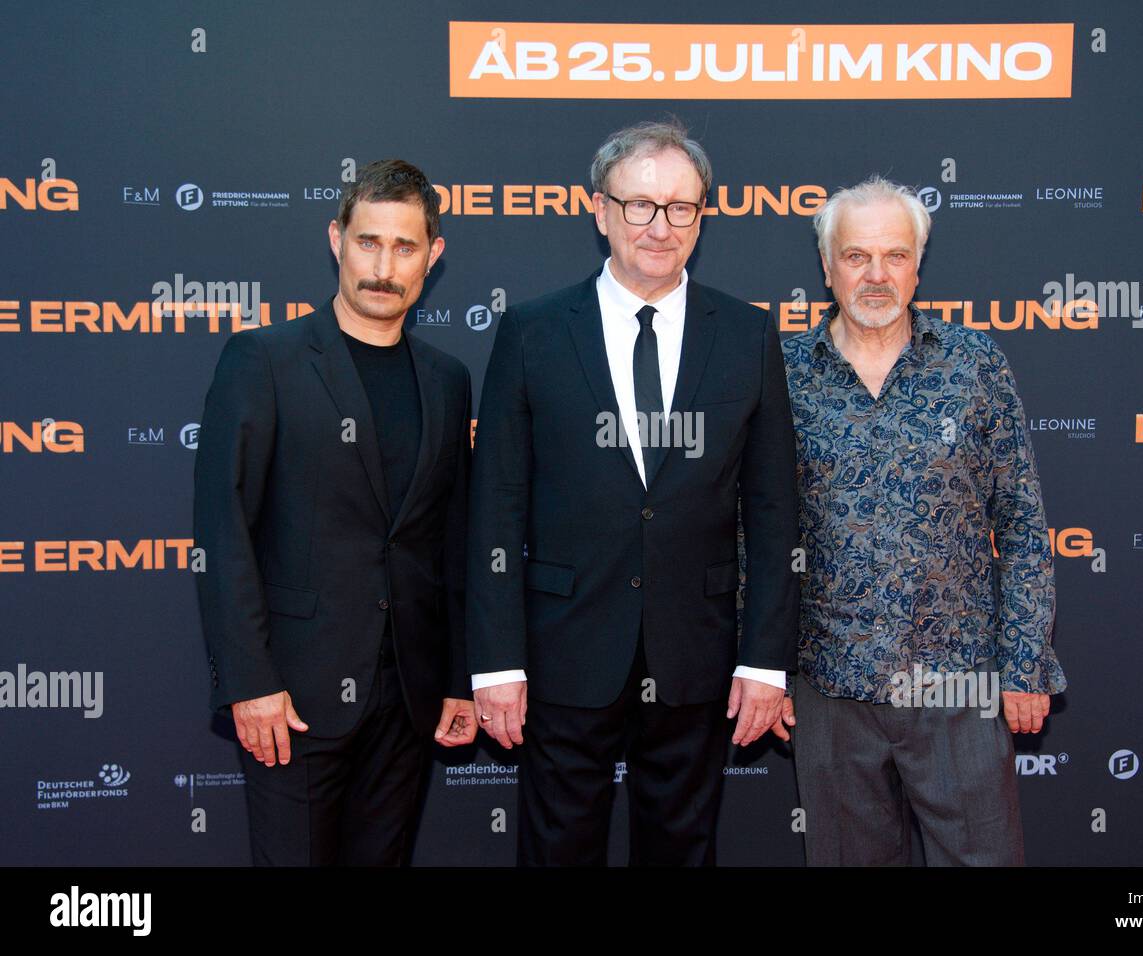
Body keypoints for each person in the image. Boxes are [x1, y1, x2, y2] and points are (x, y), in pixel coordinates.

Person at [466, 120, 800, 866]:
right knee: (558, 850)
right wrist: (495, 662)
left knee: (684, 849)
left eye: (680, 207)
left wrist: (765, 661)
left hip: (698, 653)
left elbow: (775, 513)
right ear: (600, 210)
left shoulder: (749, 336)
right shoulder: (532, 332)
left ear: (702, 217)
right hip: (563, 650)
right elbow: (497, 505)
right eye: (641, 204)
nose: (660, 226)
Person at [194, 159, 477, 866]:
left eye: (405, 247)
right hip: (292, 696)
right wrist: (250, 681)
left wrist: (455, 678)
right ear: (336, 240)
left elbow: (454, 541)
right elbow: (223, 529)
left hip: (407, 700)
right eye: (367, 242)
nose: (383, 266)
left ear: (432, 256)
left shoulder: (447, 380)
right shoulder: (263, 360)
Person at [783, 175, 1067, 866]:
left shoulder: (974, 365)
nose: (876, 275)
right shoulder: (781, 370)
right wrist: (756, 666)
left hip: (960, 684)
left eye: (894, 256)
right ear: (826, 267)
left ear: (918, 264)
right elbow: (746, 529)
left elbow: (1024, 522)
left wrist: (1025, 662)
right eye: (856, 256)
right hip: (829, 686)